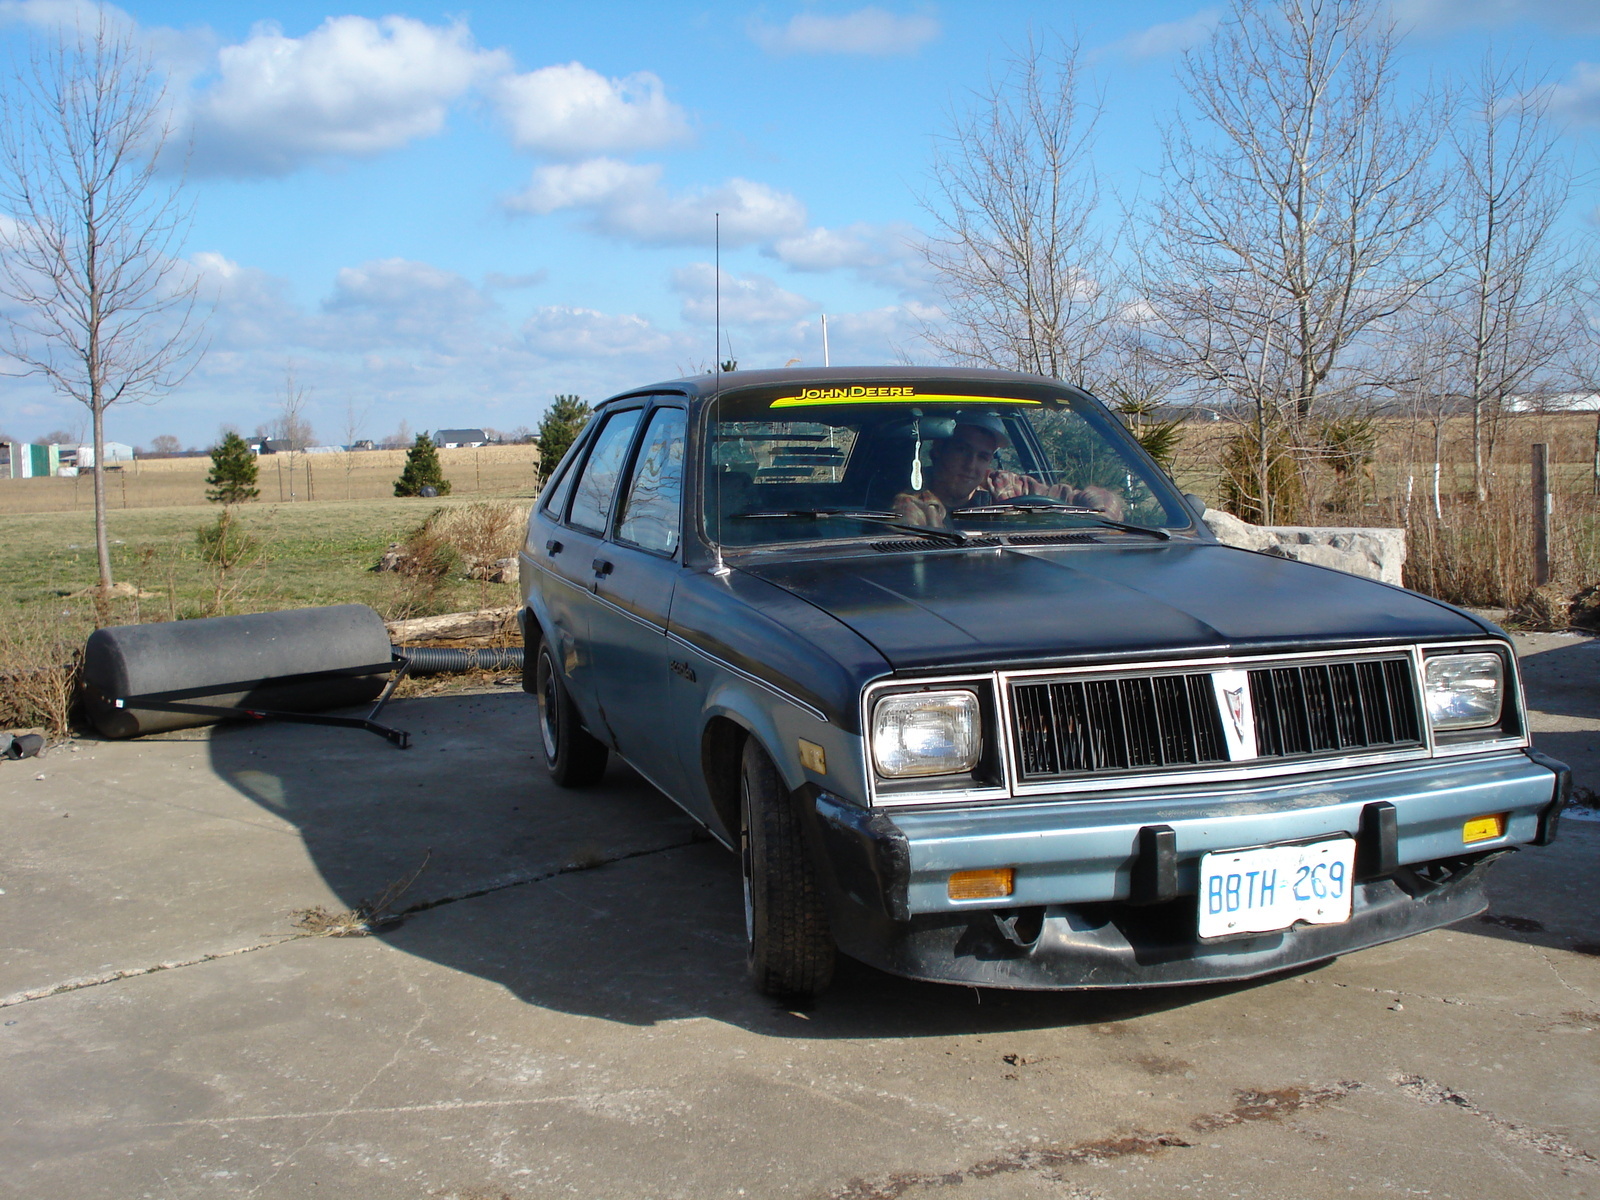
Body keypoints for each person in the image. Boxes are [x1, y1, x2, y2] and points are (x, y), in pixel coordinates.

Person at [891, 415, 1123, 527]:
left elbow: (1101, 501)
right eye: (962, 451)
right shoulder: (914, 503)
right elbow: (916, 552)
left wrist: (1099, 523)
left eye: (982, 457)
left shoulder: (1008, 487)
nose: (971, 465)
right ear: (938, 451)